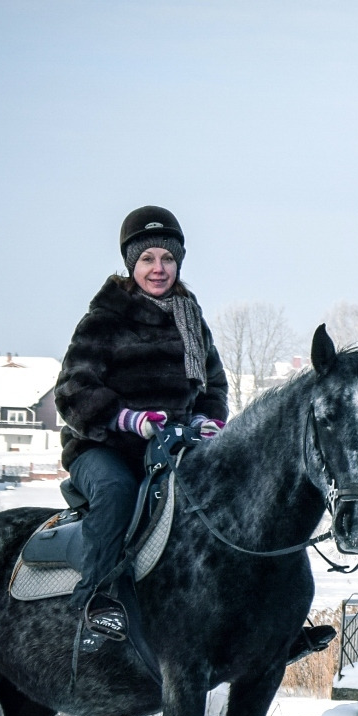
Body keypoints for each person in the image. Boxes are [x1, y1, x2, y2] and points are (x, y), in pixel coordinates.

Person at [54, 205, 230, 651]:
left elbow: (214, 387)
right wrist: (126, 418)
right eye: (148, 258)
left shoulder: (191, 319)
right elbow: (72, 389)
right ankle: (99, 600)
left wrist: (209, 421)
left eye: (167, 258)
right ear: (132, 263)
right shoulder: (105, 318)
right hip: (103, 447)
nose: (158, 268)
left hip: (174, 446)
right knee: (115, 491)